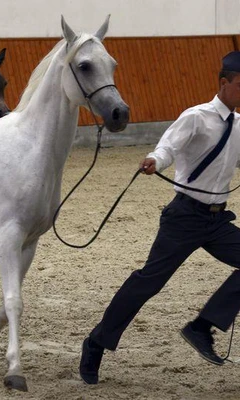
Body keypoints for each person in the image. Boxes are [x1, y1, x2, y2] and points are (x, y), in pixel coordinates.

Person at [79, 51, 240, 385]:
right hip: (184, 217)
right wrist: (155, 159)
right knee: (147, 283)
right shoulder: (196, 117)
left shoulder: (239, 126)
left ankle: (201, 327)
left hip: (217, 220)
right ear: (224, 83)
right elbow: (168, 146)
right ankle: (96, 342)